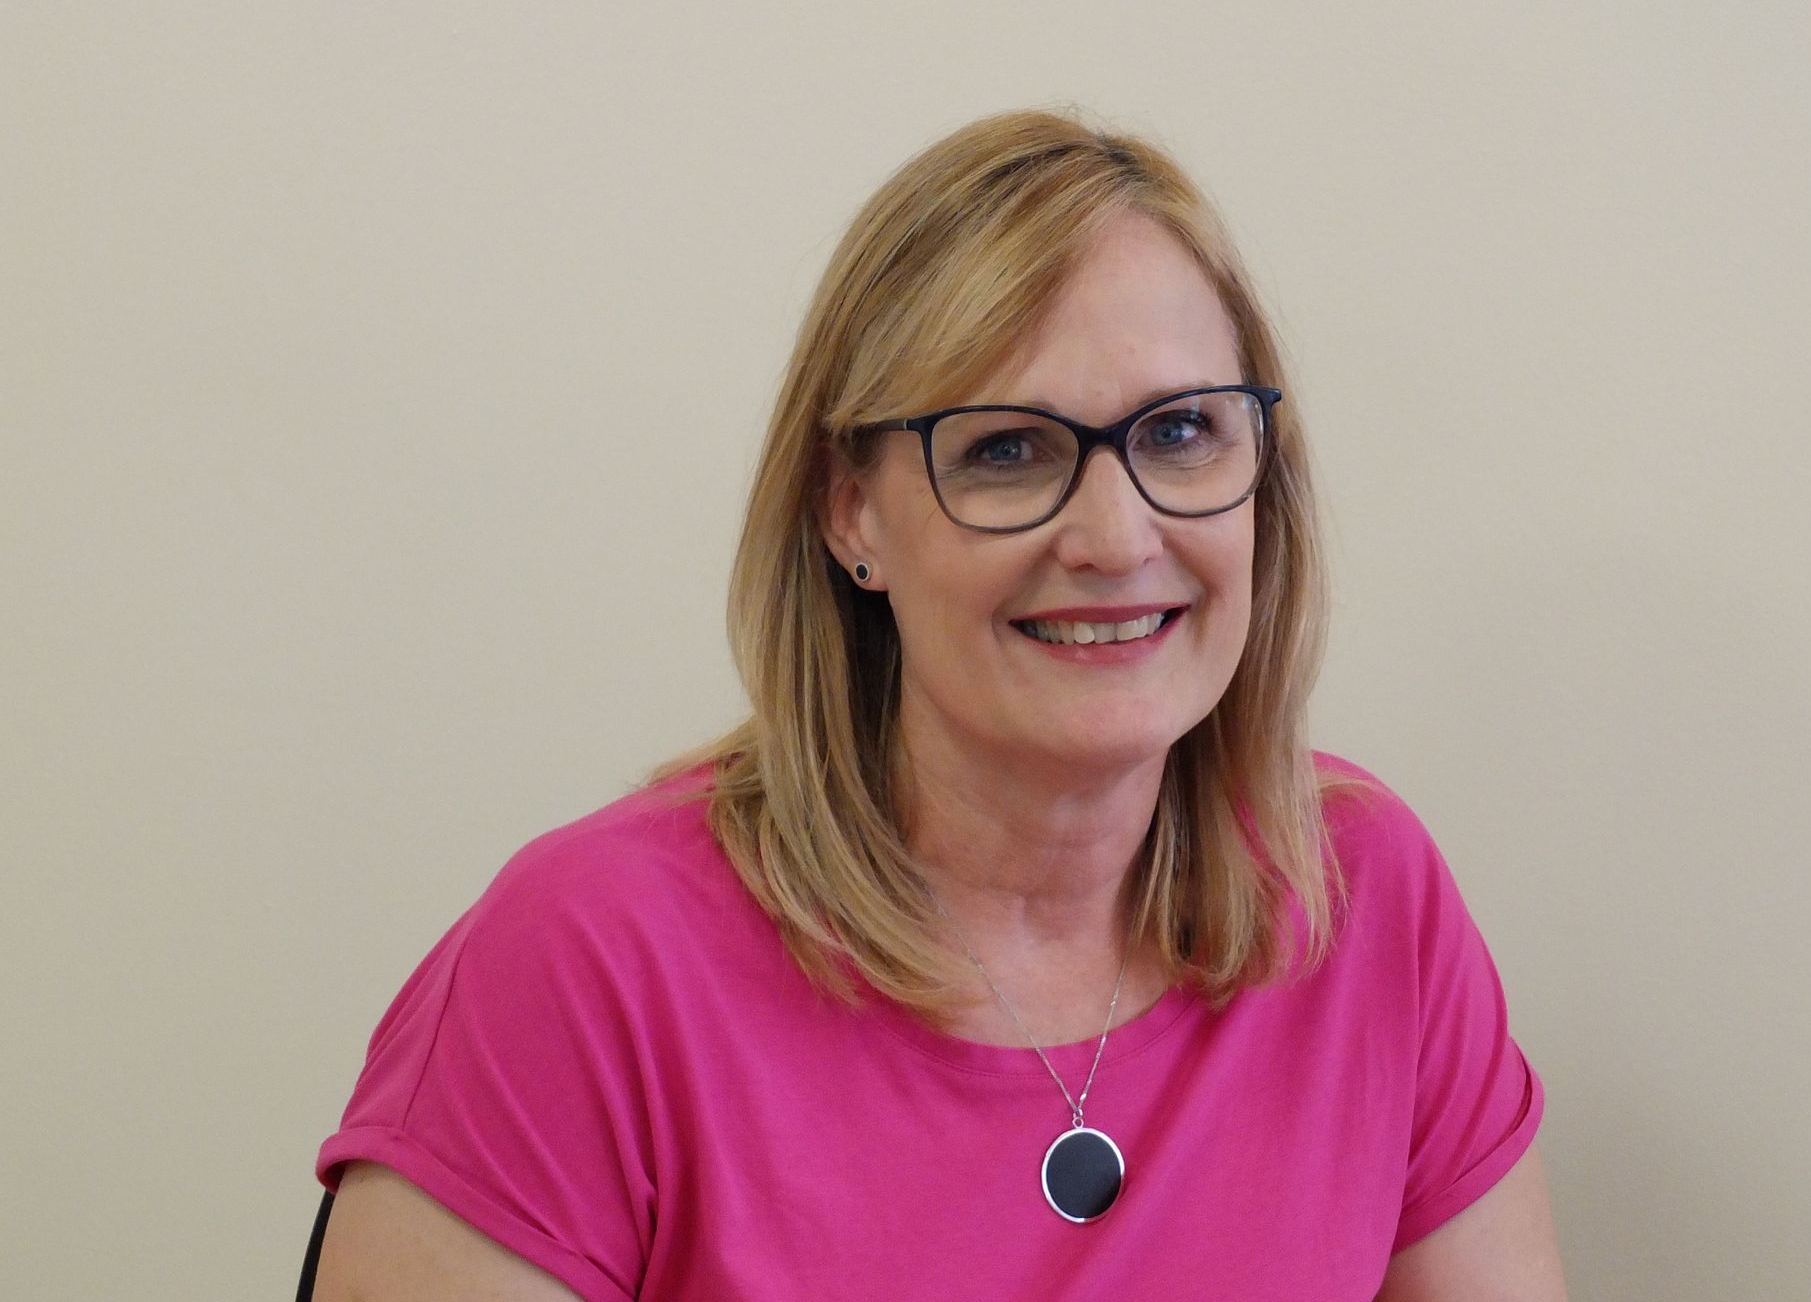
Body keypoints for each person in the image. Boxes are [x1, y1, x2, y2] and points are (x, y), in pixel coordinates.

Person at [311, 108, 1567, 1299]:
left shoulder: (1359, 894)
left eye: (1181, 432)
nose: (1117, 535)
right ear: (849, 511)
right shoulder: (590, 963)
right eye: (1007, 450)